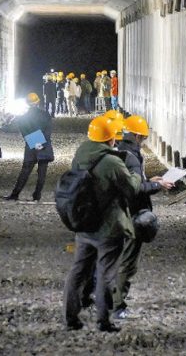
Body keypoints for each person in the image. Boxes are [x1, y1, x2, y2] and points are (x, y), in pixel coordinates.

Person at [63, 116, 142, 333]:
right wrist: (136, 173)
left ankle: (71, 318)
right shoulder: (112, 162)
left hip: (84, 223)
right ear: (110, 139)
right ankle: (104, 321)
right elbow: (132, 189)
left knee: (78, 271)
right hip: (108, 227)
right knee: (106, 273)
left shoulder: (82, 153)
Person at [111, 114, 174, 319]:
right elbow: (134, 188)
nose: (144, 141)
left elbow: (132, 181)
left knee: (113, 258)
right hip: (132, 212)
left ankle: (105, 299)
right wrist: (157, 185)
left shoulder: (120, 151)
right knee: (128, 262)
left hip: (118, 211)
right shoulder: (132, 156)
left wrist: (149, 179)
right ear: (137, 136)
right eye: (143, 138)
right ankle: (117, 306)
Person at [4, 92, 54, 201]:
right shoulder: (45, 115)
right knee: (42, 173)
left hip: (31, 146)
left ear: (27, 103)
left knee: (25, 171)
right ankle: (37, 195)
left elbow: (25, 133)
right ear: (38, 102)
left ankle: (15, 194)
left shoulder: (23, 118)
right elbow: (48, 131)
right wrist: (41, 143)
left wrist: (35, 143)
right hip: (44, 146)